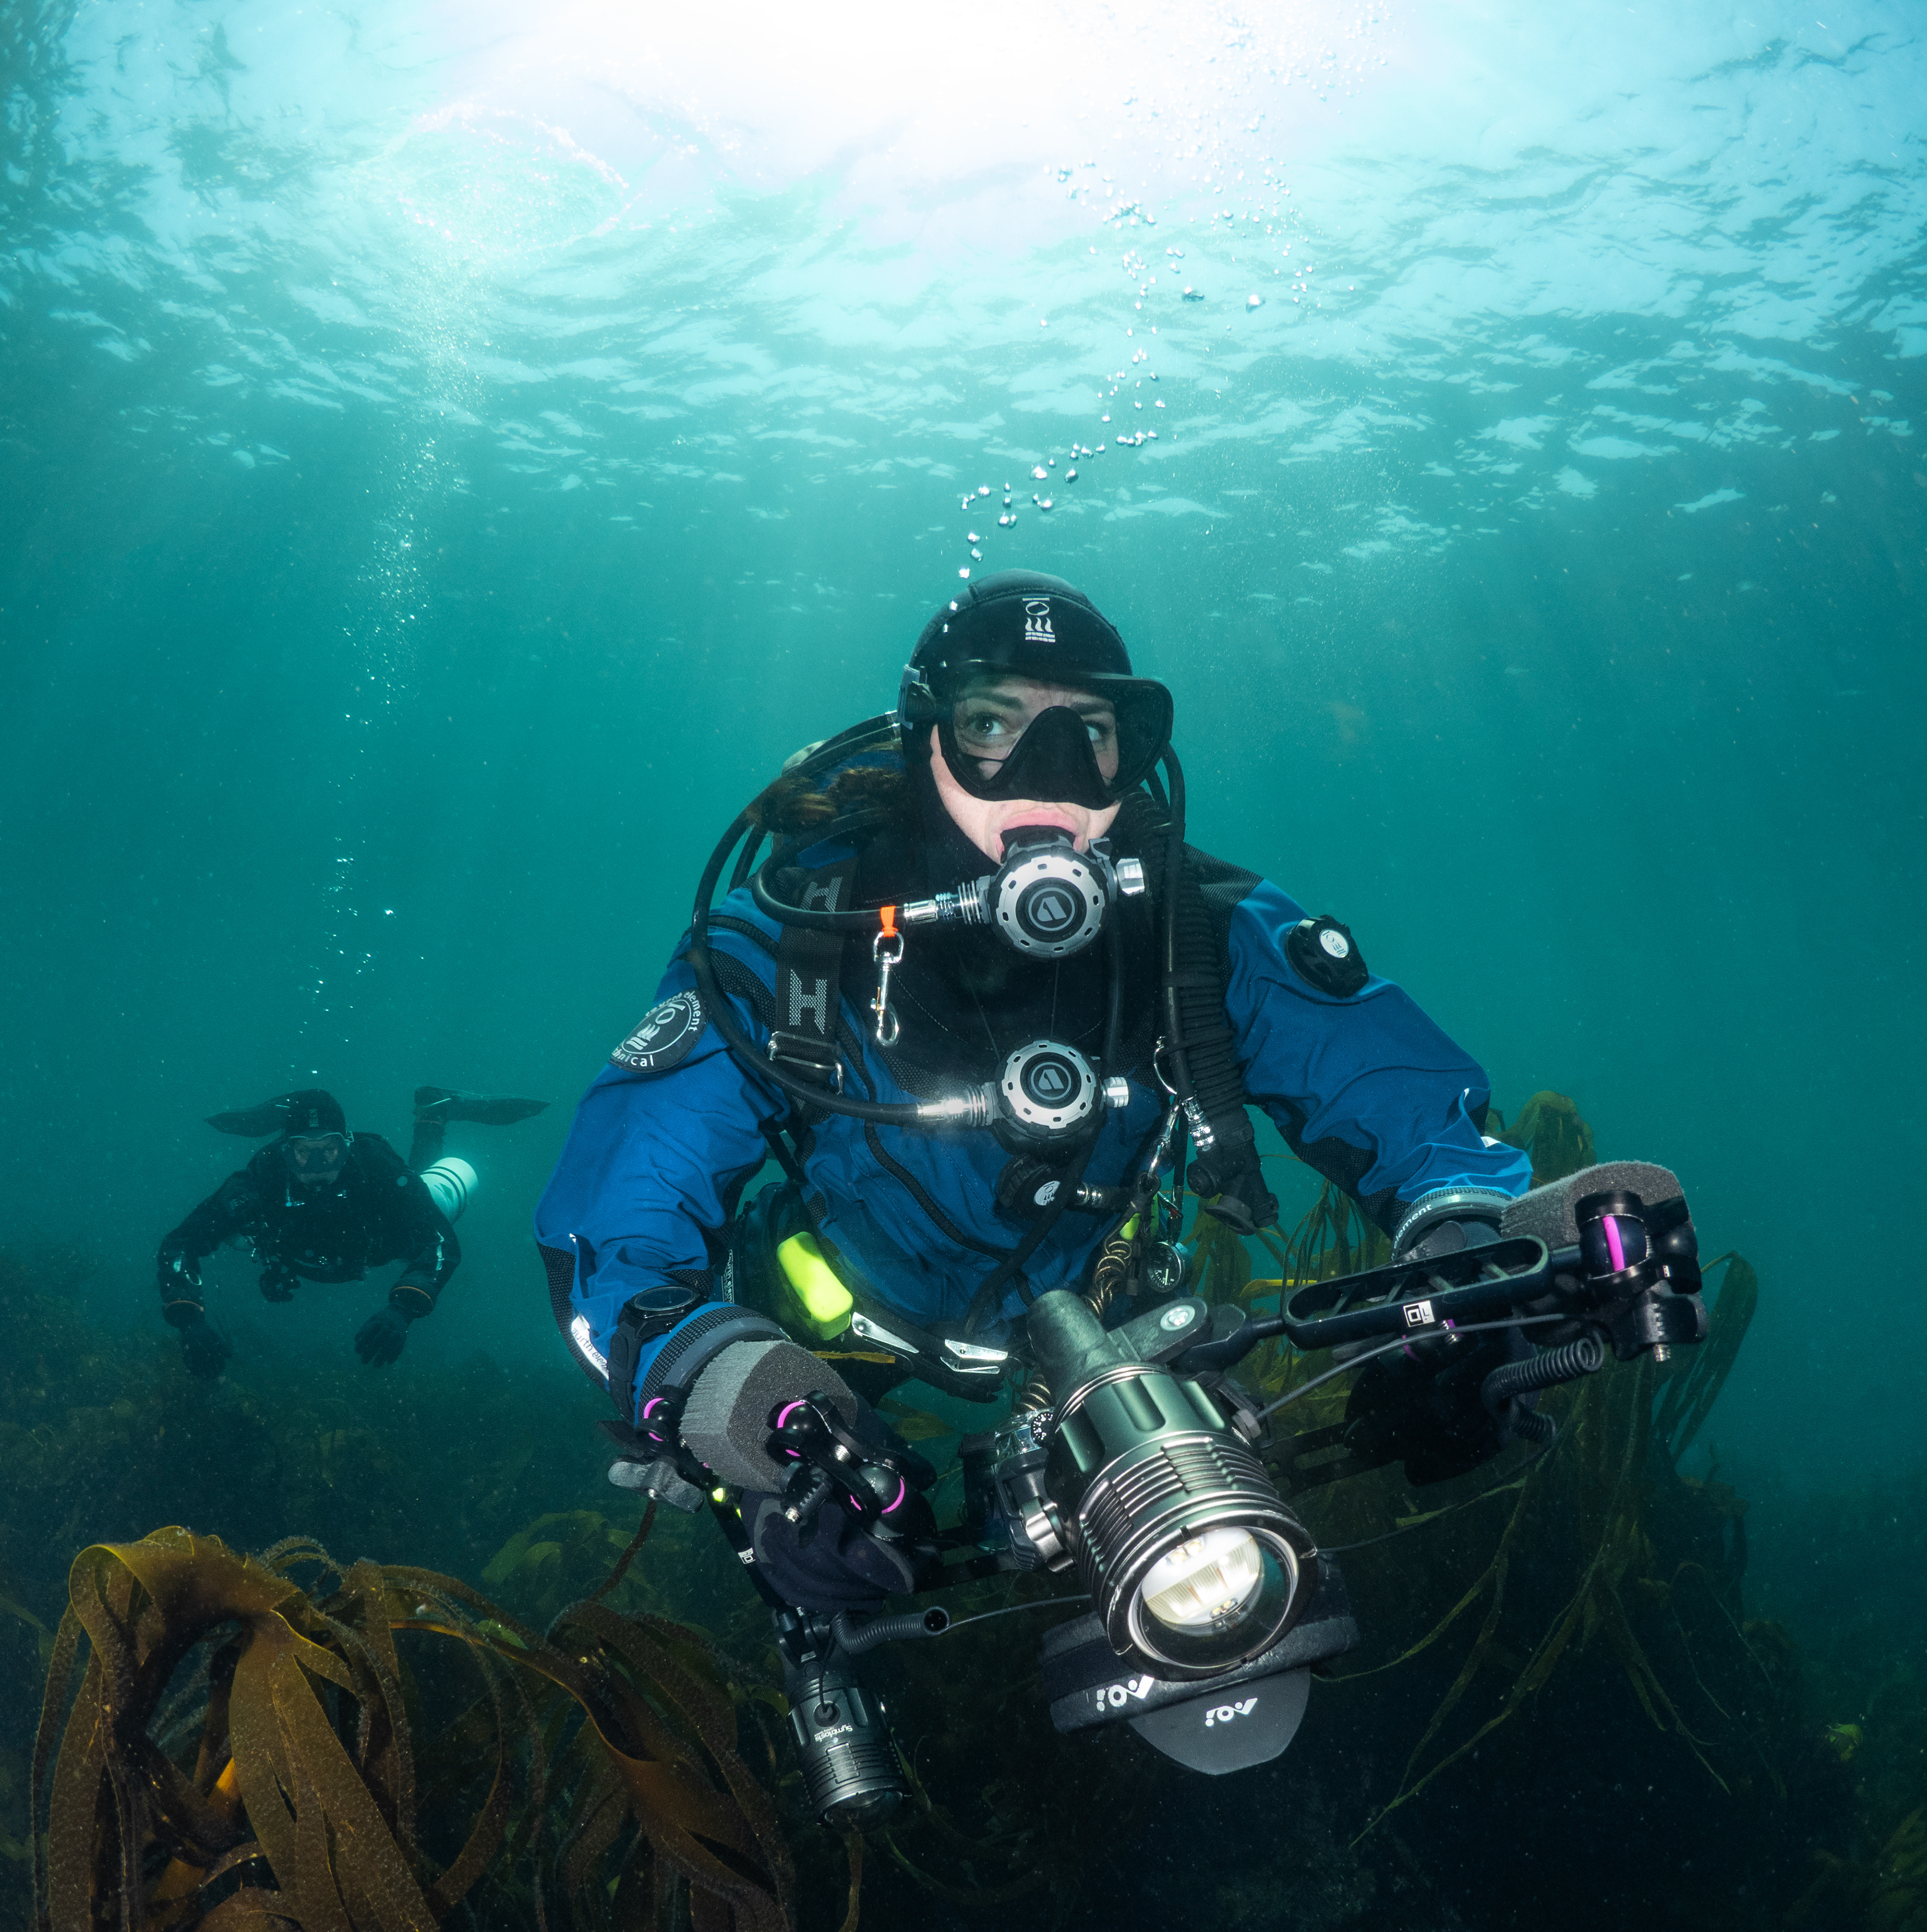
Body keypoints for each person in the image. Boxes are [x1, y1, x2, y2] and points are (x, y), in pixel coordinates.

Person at [537, 571, 1608, 1822]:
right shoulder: (784, 948)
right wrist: (718, 1388)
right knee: (804, 1516)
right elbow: (613, 1220)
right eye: (995, 726)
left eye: (1090, 734)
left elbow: (1403, 1103)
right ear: (923, 736)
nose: (1049, 775)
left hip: (1116, 1326)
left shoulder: (1203, 934)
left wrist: (1472, 1263)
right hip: (839, 1341)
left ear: (1133, 755)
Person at [159, 1085, 547, 1377]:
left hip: (385, 1241)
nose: (316, 1166)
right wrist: (189, 1318)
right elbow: (181, 1243)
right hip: (293, 1250)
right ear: (284, 1152)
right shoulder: (259, 1181)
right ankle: (430, 1116)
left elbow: (440, 1243)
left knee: (443, 1185)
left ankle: (433, 1117)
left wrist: (403, 1309)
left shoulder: (376, 1170)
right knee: (236, 1236)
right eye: (302, 1152)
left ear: (346, 1147)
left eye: (327, 1151)